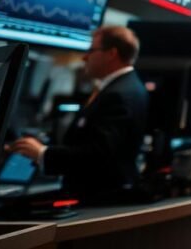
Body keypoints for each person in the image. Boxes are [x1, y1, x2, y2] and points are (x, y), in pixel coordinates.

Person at [10, 26, 148, 202]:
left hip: (99, 197)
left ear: (111, 54)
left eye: (91, 50)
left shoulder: (120, 93)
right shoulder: (126, 87)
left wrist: (43, 153)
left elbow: (99, 154)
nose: (84, 57)